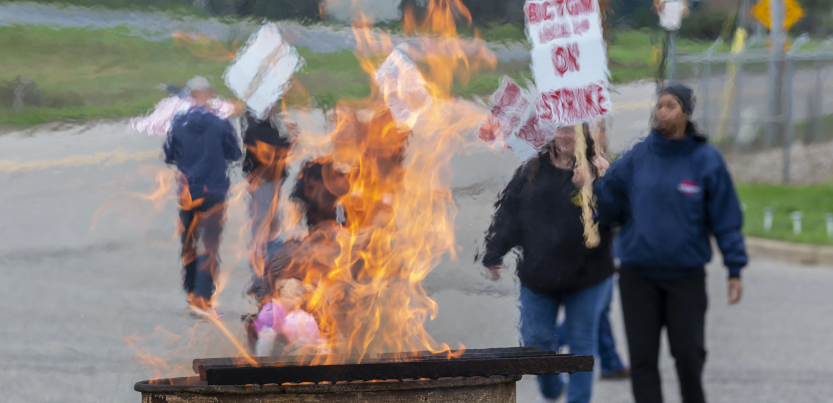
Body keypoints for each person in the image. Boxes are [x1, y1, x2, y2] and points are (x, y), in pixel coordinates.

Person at [583, 82, 748, 403]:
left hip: (685, 276)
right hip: (637, 275)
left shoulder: (705, 159)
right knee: (643, 360)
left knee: (689, 356)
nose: (662, 111)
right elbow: (607, 210)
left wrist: (735, 268)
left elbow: (726, 219)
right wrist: (592, 184)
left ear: (686, 112)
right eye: (659, 105)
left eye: (670, 106)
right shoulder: (638, 157)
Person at [482, 124, 616, 403]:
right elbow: (508, 211)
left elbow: (616, 216)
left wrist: (594, 184)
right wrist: (494, 252)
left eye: (572, 131)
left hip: (587, 277)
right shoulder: (533, 169)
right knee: (535, 343)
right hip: (538, 276)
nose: (565, 136)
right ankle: (552, 388)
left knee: (581, 347)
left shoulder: (599, 169)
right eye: (560, 130)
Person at [163, 76, 243, 318]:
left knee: (188, 242)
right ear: (208, 95)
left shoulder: (178, 122)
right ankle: (203, 299)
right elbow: (235, 153)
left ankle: (191, 295)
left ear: (190, 96)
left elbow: (169, 155)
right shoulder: (220, 123)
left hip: (187, 191)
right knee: (209, 246)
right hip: (214, 191)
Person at [242, 108, 294, 294]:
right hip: (264, 184)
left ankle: (265, 277)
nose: (277, 106)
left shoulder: (261, 124)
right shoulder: (259, 128)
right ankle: (261, 280)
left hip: (268, 183)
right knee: (264, 232)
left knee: (269, 229)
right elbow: (274, 155)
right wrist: (289, 138)